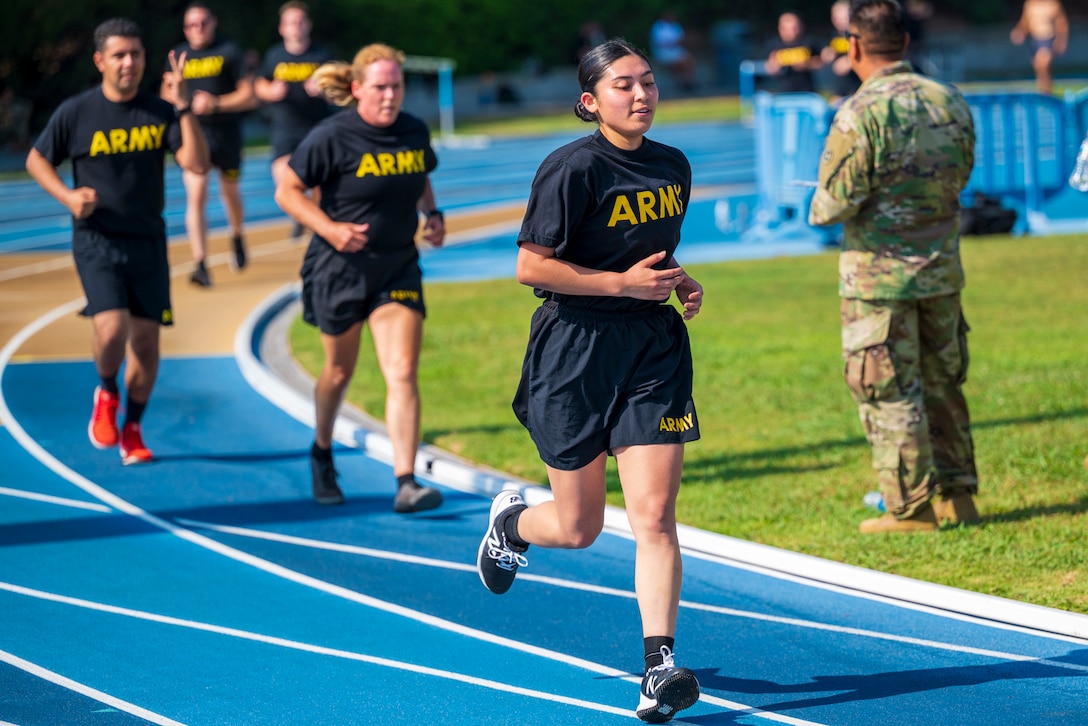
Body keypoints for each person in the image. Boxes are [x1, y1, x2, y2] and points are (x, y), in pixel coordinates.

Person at [475, 38, 703, 723]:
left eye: (648, 82)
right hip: (573, 348)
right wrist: (620, 285)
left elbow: (652, 252)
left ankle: (658, 669)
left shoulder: (672, 166)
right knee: (579, 528)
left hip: (652, 351)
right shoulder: (571, 169)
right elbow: (530, 267)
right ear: (589, 101)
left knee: (655, 516)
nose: (641, 95)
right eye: (624, 86)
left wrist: (673, 280)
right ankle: (512, 527)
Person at [808, 0, 979, 533]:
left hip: (879, 281)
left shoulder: (861, 111)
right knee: (943, 384)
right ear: (905, 43)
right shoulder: (947, 100)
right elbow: (960, 174)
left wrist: (819, 199)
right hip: (941, 272)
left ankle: (911, 509)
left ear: (854, 47)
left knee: (888, 390)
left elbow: (830, 206)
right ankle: (960, 497)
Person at [25, 17, 209, 465]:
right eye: (120, 55)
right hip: (97, 240)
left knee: (146, 345)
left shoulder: (159, 111)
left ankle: (133, 428)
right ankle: (107, 393)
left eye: (136, 54)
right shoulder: (77, 112)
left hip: (147, 242)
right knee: (112, 328)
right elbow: (36, 159)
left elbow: (198, 164)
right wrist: (68, 196)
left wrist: (184, 109)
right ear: (100, 61)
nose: (129, 63)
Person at [274, 43, 445, 513]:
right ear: (357, 89)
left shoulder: (413, 130)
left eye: (397, 86)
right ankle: (322, 450)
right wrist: (329, 228)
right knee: (339, 371)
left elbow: (422, 174)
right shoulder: (331, 136)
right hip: (339, 268)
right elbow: (287, 191)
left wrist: (432, 214)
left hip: (397, 264)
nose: (390, 96)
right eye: (381, 87)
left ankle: (406, 481)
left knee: (403, 371)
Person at [165, 2, 256, 287]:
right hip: (193, 134)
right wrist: (177, 94)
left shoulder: (229, 51)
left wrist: (215, 104)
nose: (198, 29)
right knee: (197, 194)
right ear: (184, 28)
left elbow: (249, 96)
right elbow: (164, 93)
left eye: (203, 22)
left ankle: (237, 235)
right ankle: (200, 263)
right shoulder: (178, 55)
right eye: (192, 24)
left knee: (230, 193)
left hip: (226, 134)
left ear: (213, 23)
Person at [254, 1, 333, 239]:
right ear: (282, 28)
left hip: (318, 126)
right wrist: (271, 92)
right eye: (291, 22)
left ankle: (317, 222)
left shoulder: (322, 55)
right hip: (286, 128)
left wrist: (323, 87)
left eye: (300, 22)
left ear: (307, 25)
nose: (296, 27)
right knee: (284, 179)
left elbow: (341, 85)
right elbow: (259, 84)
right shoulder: (274, 55)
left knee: (320, 182)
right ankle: (302, 214)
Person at [1009, 0, 1069, 95]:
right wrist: (1019, 31)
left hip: (1048, 39)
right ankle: (1045, 93)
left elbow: (1061, 23)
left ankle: (1046, 94)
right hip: (1035, 40)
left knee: (1042, 64)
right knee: (1040, 70)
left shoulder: (1053, 4)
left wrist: (1061, 40)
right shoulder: (1030, 4)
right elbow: (1025, 22)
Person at [765, 11, 825, 93]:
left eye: (795, 28)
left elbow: (821, 63)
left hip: (806, 91)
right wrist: (775, 66)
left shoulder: (809, 42)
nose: (792, 32)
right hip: (783, 92)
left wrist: (807, 64)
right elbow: (769, 67)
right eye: (788, 28)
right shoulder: (774, 44)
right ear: (780, 28)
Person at [821, 0, 861, 102]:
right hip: (839, 91)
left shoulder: (859, 34)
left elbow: (867, 55)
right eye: (836, 17)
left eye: (843, 17)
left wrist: (849, 61)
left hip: (858, 88)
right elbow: (823, 54)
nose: (839, 21)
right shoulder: (831, 35)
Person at [649, 11, 697, 92]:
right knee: (679, 62)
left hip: (676, 50)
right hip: (663, 52)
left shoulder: (675, 26)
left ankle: (689, 81)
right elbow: (658, 43)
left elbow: (681, 39)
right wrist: (670, 43)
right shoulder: (658, 27)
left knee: (689, 59)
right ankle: (683, 83)